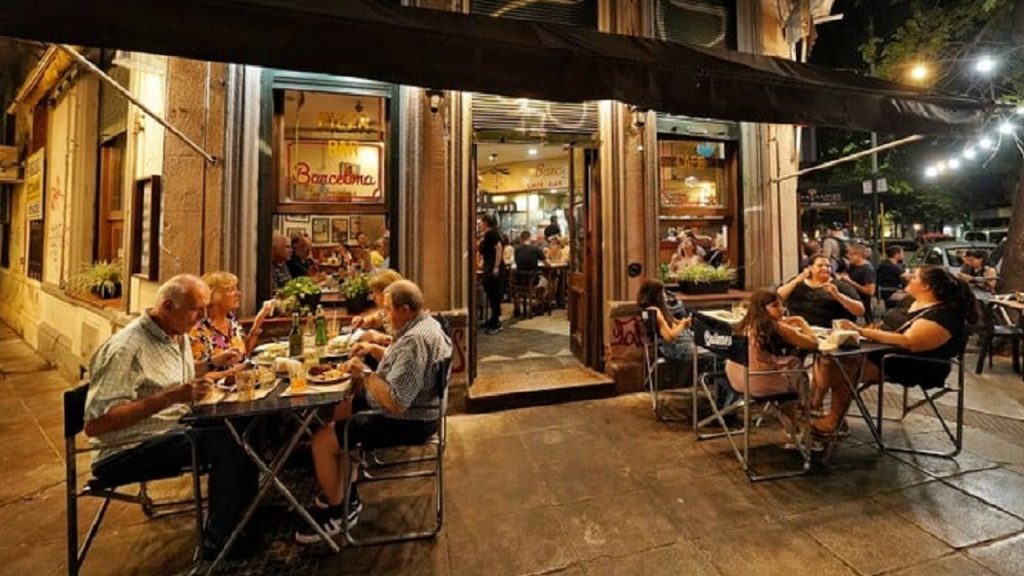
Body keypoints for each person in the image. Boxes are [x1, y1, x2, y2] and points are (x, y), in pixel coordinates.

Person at [84, 275, 258, 559]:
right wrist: (171, 397)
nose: (202, 317)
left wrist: (212, 363)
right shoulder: (126, 348)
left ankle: (245, 516)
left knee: (247, 423)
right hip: (127, 449)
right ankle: (219, 539)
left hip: (174, 429)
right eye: (196, 309)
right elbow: (96, 424)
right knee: (228, 443)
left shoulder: (175, 333)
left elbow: (175, 376)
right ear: (167, 305)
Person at [296, 280, 452, 543]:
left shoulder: (415, 340)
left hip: (410, 421)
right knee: (343, 409)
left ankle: (340, 513)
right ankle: (344, 491)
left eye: (388, 309)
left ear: (404, 309)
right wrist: (374, 350)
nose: (385, 316)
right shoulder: (426, 324)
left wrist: (365, 373)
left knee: (322, 440)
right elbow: (401, 365)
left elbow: (397, 402)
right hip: (417, 411)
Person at [814, 266, 975, 435]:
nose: (907, 277)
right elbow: (889, 323)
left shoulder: (943, 316)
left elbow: (910, 342)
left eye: (914, 277)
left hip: (917, 364)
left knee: (844, 365)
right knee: (827, 357)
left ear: (926, 286)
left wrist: (862, 331)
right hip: (883, 352)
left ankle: (832, 419)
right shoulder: (910, 301)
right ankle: (815, 407)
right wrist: (870, 331)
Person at [725, 289, 817, 408]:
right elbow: (813, 343)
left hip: (736, 378)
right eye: (775, 306)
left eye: (782, 305)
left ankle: (790, 416)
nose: (781, 309)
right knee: (797, 371)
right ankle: (805, 408)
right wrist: (801, 322)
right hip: (757, 383)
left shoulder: (745, 324)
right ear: (762, 309)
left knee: (788, 365)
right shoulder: (777, 328)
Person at [190, 271, 275, 378]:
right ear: (214, 296)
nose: (238, 294)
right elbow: (194, 375)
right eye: (231, 290)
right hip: (217, 388)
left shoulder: (231, 321)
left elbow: (244, 353)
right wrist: (228, 374)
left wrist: (259, 319)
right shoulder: (197, 330)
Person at [777, 253, 864, 328]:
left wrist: (838, 296)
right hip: (798, 328)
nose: (825, 268)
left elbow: (860, 311)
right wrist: (797, 280)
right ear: (810, 268)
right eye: (820, 265)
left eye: (828, 266)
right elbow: (779, 296)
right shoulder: (798, 282)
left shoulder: (840, 286)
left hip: (827, 329)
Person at [636, 278, 692, 361]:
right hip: (673, 348)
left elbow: (675, 322)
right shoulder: (655, 312)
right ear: (656, 295)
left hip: (678, 345)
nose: (665, 295)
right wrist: (683, 325)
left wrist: (685, 322)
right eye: (663, 292)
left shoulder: (657, 309)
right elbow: (669, 336)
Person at [351, 268, 404, 348]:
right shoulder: (385, 312)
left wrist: (380, 338)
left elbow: (403, 347)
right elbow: (375, 318)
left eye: (376, 292)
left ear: (387, 293)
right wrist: (364, 320)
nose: (373, 297)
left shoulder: (402, 313)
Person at [478, 213, 504, 334]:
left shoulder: (491, 234)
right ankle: (492, 319)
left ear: (486, 223)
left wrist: (496, 267)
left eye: (481, 222)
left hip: (493, 267)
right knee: (491, 294)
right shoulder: (487, 235)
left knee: (494, 295)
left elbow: (498, 248)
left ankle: (496, 322)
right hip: (489, 267)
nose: (479, 225)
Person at [840, 244, 877, 323]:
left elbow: (870, 291)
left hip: (862, 303)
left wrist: (850, 282)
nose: (848, 256)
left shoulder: (867, 270)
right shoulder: (851, 266)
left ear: (858, 255)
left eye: (850, 254)